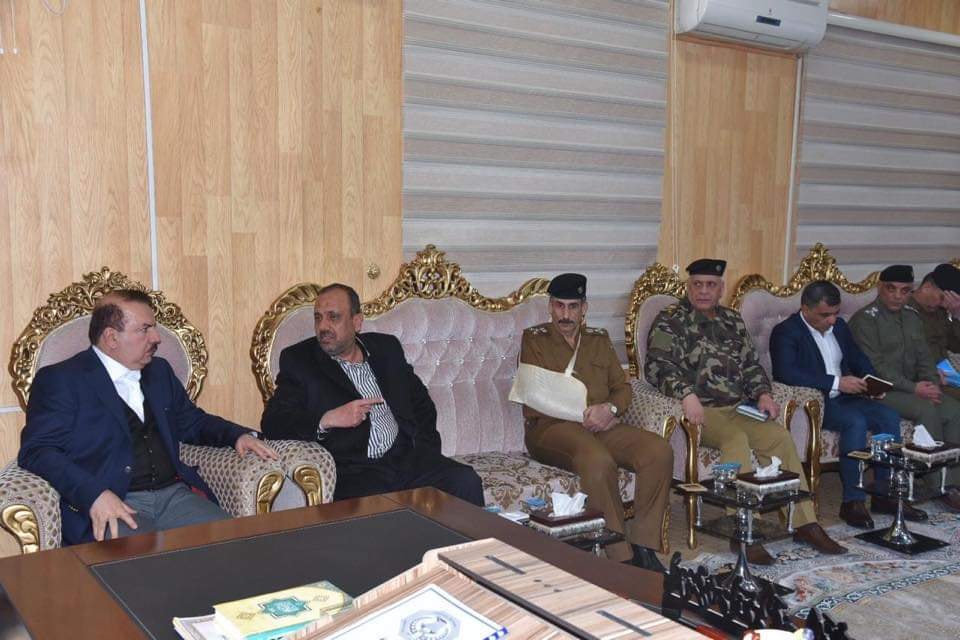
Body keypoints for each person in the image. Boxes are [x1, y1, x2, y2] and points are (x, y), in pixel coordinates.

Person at [19, 290, 278, 545]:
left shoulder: (159, 371)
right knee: (149, 564)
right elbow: (38, 451)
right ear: (111, 337)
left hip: (175, 497)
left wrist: (237, 436)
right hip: (115, 502)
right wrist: (94, 494)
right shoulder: (62, 380)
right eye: (145, 329)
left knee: (236, 545)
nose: (156, 338)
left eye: (154, 328)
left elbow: (191, 422)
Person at [645, 259, 846, 564]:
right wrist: (686, 394)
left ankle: (805, 523)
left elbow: (751, 364)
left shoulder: (732, 320)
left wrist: (763, 393)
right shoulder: (671, 320)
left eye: (710, 285)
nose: (703, 291)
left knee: (778, 437)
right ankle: (744, 530)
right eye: (697, 284)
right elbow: (657, 366)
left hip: (738, 407)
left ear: (720, 289)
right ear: (689, 287)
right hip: (702, 411)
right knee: (735, 440)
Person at [260, 283, 484, 506]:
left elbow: (421, 403)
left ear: (357, 322)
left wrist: (425, 450)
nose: (323, 326)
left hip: (406, 457)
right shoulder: (301, 361)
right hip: (357, 471)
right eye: (318, 318)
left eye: (333, 317)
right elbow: (273, 421)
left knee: (465, 480)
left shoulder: (386, 349)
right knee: (381, 513)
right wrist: (326, 419)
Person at [519, 273, 673, 572]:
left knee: (658, 451)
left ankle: (644, 547)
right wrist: (587, 413)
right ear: (550, 307)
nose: (565, 314)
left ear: (584, 308)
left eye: (573, 306)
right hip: (551, 428)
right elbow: (536, 394)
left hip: (601, 425)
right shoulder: (534, 339)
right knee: (598, 460)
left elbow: (622, 388)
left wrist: (610, 409)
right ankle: (622, 558)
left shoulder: (598, 340)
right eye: (559, 306)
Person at [769, 281, 922, 529]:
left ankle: (884, 494)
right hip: (817, 401)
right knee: (855, 421)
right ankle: (852, 501)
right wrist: (837, 382)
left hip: (848, 396)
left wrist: (872, 382)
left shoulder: (839, 326)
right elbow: (786, 372)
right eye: (825, 315)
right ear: (805, 308)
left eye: (835, 313)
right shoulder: (786, 331)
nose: (832, 320)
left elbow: (857, 357)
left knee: (888, 416)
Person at [849, 265, 960, 510]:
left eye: (905, 290)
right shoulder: (865, 320)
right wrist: (915, 388)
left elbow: (924, 357)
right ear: (880, 288)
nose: (898, 296)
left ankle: (952, 483)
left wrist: (932, 384)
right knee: (926, 409)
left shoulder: (911, 317)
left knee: (953, 410)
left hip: (914, 388)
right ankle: (935, 484)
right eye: (892, 289)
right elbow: (876, 367)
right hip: (881, 390)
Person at [910, 264, 960, 401]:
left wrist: (957, 314)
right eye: (942, 298)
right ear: (927, 287)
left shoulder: (940, 311)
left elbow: (956, 346)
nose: (944, 304)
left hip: (947, 377)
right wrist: (928, 372)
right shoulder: (903, 310)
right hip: (923, 380)